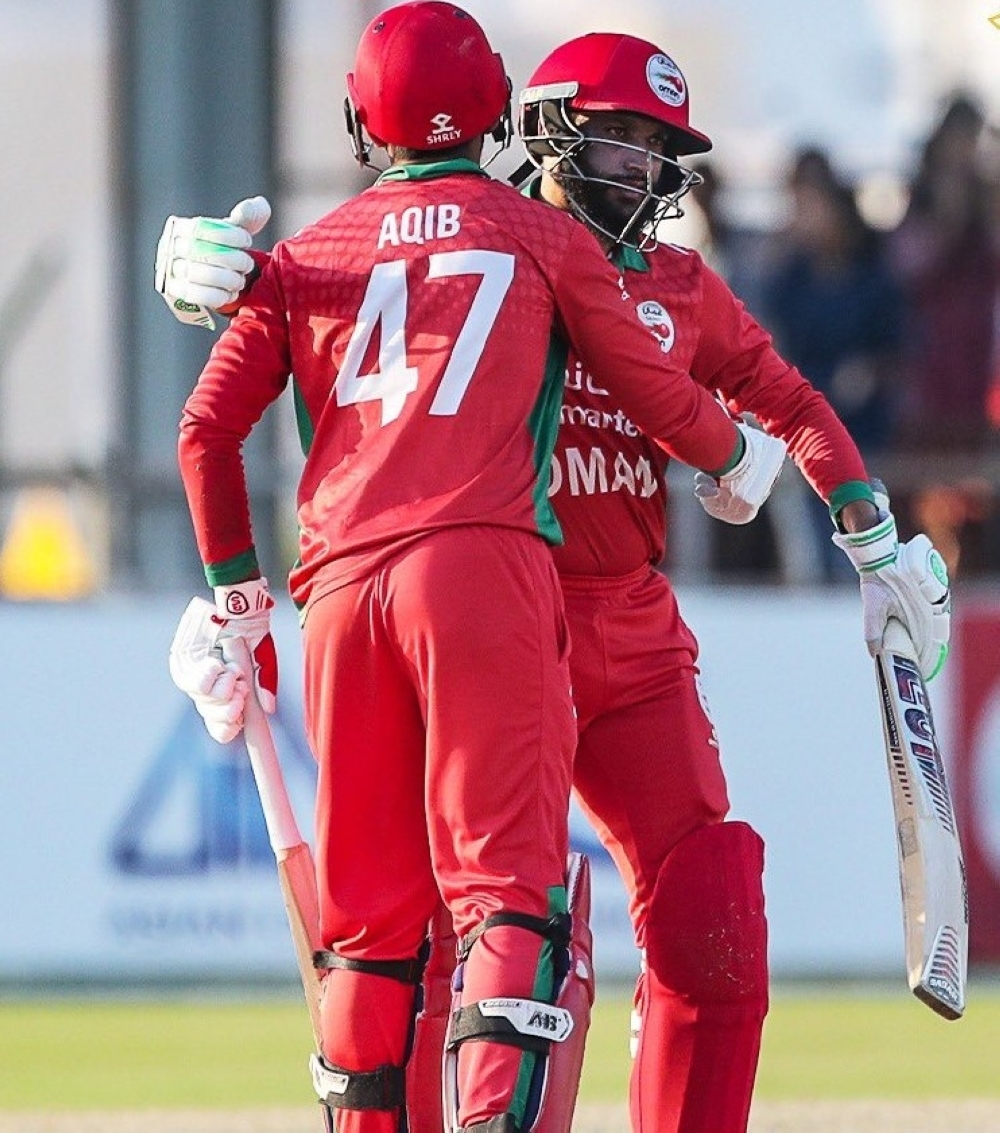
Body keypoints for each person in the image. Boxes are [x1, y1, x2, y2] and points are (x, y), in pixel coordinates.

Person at [158, 24, 952, 1133]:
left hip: (618, 626)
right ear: (531, 128)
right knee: (480, 926)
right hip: (499, 605)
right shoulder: (511, 233)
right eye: (618, 139)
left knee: (710, 913)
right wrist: (208, 269)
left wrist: (874, 541)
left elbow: (795, 403)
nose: (639, 170)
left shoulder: (674, 283)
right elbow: (331, 280)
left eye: (656, 150)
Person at [760, 147, 906, 581]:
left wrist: (867, 373)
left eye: (812, 207)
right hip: (802, 433)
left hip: (867, 433)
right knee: (809, 550)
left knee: (866, 536)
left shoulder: (874, 277)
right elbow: (771, 345)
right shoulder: (789, 279)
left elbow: (898, 350)